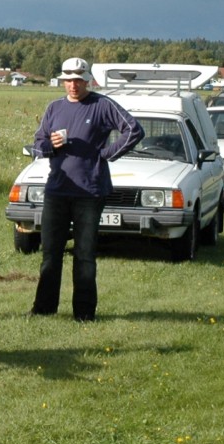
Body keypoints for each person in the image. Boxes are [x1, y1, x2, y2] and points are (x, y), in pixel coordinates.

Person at [31, 57, 144, 321]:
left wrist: (106, 154)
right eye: (68, 80)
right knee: (50, 254)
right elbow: (37, 144)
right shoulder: (54, 107)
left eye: (79, 81)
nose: (73, 85)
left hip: (89, 193)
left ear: (88, 81)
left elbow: (134, 130)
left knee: (84, 254)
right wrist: (51, 145)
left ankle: (84, 313)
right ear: (63, 81)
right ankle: (44, 309)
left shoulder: (102, 105)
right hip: (57, 190)